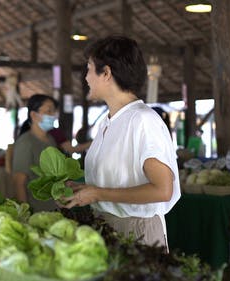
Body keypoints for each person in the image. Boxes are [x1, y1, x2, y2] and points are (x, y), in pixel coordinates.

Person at [61, 36, 181, 250]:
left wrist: (98, 193)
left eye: (88, 69)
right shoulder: (109, 122)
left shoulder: (143, 120)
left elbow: (163, 190)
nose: (86, 77)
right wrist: (85, 189)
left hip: (136, 232)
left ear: (106, 73)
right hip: (108, 228)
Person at [12, 94, 59, 212]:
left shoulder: (51, 140)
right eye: (49, 111)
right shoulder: (26, 142)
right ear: (33, 115)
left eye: (54, 111)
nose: (53, 115)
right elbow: (19, 182)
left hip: (53, 208)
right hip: (36, 210)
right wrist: (25, 213)